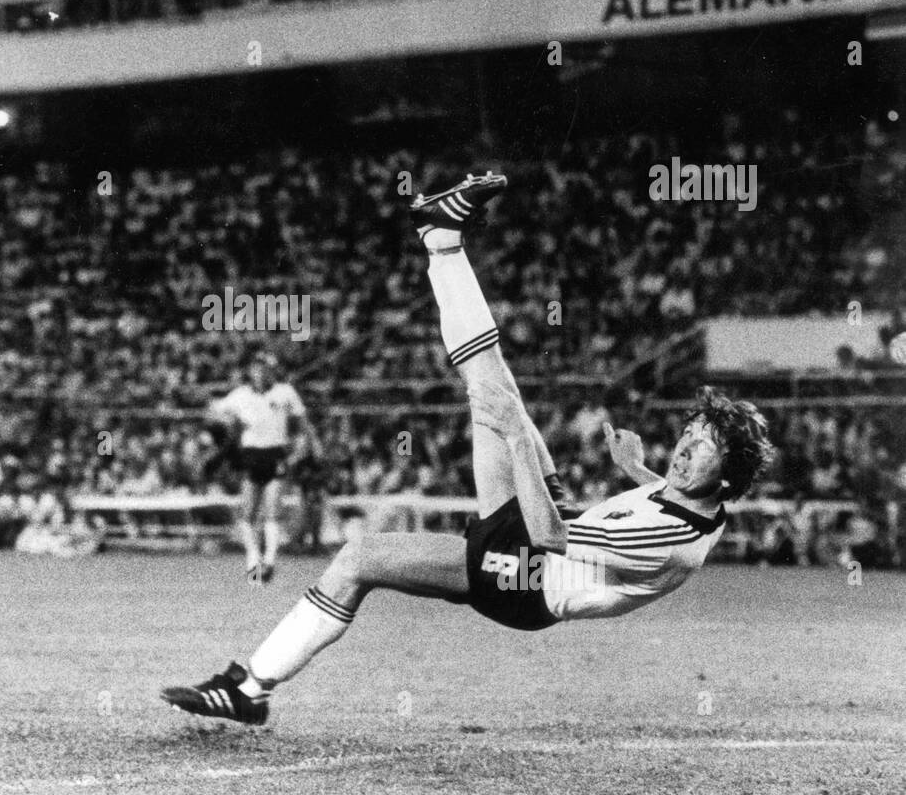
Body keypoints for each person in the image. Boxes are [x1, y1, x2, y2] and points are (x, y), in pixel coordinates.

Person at [162, 172, 775, 725]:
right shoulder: (705, 504)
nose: (684, 452)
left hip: (533, 578)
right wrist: (635, 468)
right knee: (491, 381)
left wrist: (516, 434)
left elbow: (552, 541)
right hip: (552, 531)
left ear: (726, 478)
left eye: (701, 450)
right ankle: (442, 239)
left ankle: (251, 687)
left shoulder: (669, 542)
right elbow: (670, 500)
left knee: (358, 557)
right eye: (688, 437)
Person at [208, 352, 313, 585]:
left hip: (275, 453)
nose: (261, 372)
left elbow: (302, 425)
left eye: (265, 368)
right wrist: (227, 423)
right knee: (247, 515)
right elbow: (214, 410)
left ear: (272, 370)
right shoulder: (241, 395)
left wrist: (298, 453)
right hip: (251, 456)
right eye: (257, 367)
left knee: (272, 511)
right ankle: (253, 560)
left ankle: (270, 561)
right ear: (251, 371)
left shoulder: (285, 392)